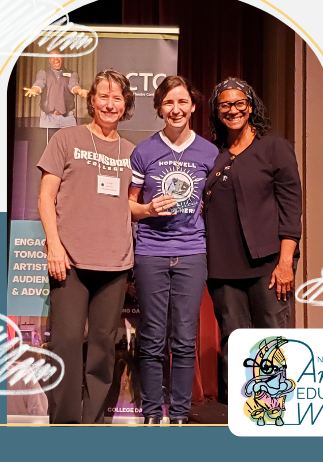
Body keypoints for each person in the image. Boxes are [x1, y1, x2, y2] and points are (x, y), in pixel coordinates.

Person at [37, 69, 136, 424]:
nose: (110, 104)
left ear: (126, 105)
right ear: (92, 100)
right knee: (64, 345)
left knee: (102, 350)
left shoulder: (131, 152)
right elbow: (46, 197)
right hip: (70, 261)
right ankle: (64, 426)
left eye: (118, 97)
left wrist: (155, 208)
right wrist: (54, 246)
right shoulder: (67, 138)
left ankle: (92, 425)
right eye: (104, 96)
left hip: (115, 264)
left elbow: (132, 204)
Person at [203, 77, 302, 400]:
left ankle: (273, 412)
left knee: (271, 340)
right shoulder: (214, 155)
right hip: (223, 267)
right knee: (234, 340)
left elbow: (291, 208)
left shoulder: (274, 147)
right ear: (217, 112)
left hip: (269, 264)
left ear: (251, 105)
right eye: (225, 105)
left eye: (239, 103)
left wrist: (286, 261)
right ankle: (239, 414)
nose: (233, 110)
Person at [128, 76, 218, 424]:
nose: (176, 109)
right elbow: (128, 206)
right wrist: (148, 210)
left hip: (192, 252)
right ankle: (152, 413)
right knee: (151, 337)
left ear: (193, 107)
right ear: (159, 108)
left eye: (182, 102)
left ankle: (179, 414)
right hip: (151, 251)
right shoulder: (144, 151)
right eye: (168, 103)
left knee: (183, 338)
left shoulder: (209, 153)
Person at [24, 49, 88, 128]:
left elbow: (73, 85)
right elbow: (40, 83)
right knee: (48, 140)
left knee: (70, 140)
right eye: (53, 57)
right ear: (50, 60)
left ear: (62, 58)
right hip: (48, 118)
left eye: (58, 57)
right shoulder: (43, 72)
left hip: (67, 118)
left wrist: (79, 90)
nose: (56, 59)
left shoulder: (72, 74)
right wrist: (34, 89)